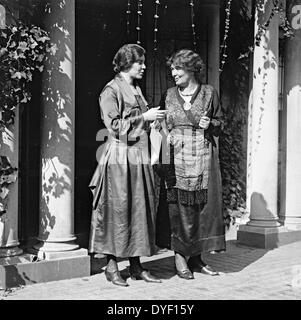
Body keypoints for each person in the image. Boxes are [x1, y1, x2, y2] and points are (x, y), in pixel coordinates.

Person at [89, 44, 166, 287]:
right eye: (139, 63)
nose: (144, 66)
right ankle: (111, 266)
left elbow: (139, 123)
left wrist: (153, 123)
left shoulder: (136, 89)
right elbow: (113, 126)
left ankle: (135, 265)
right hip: (121, 159)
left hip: (138, 157)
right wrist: (144, 118)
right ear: (126, 64)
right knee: (117, 210)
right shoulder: (110, 91)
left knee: (138, 209)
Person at [155, 49, 226, 280]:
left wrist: (210, 123)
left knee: (200, 209)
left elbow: (220, 123)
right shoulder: (167, 95)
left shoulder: (209, 93)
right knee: (177, 208)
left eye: (178, 68)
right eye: (172, 69)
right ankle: (179, 256)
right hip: (176, 159)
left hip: (203, 160)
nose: (173, 73)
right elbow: (159, 126)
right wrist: (164, 154)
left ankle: (196, 258)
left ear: (191, 69)